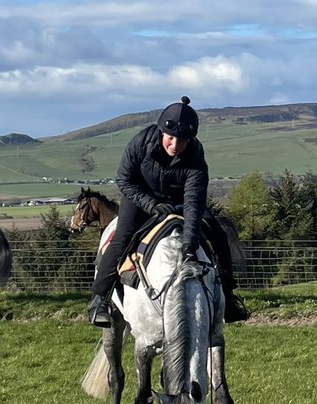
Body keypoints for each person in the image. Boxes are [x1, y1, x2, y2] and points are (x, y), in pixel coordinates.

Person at [87, 97, 250, 326]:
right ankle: (99, 300)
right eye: (170, 138)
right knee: (121, 237)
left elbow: (194, 202)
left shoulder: (196, 155)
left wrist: (189, 246)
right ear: (161, 131)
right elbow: (124, 181)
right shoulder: (141, 142)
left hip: (181, 201)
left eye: (182, 140)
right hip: (140, 197)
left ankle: (228, 296)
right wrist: (150, 205)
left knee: (217, 233)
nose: (175, 145)